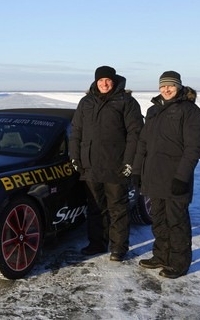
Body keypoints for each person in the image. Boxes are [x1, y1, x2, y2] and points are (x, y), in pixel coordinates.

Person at [132, 71, 200, 279]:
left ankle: (179, 263)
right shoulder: (154, 110)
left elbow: (194, 148)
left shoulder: (190, 111)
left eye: (170, 86)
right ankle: (161, 255)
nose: (166, 89)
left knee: (176, 221)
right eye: (163, 86)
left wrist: (182, 177)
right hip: (153, 176)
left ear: (179, 87)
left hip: (175, 178)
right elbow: (143, 144)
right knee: (159, 219)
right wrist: (137, 171)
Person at [69, 66, 143, 261]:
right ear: (95, 81)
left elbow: (135, 134)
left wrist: (129, 162)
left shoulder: (126, 102)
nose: (104, 84)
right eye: (100, 80)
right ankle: (96, 243)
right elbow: (76, 131)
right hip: (90, 165)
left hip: (116, 165)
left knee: (117, 208)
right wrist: (75, 157)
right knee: (95, 208)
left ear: (114, 81)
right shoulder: (86, 102)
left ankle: (118, 248)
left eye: (107, 80)